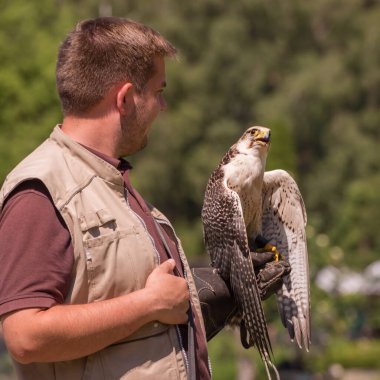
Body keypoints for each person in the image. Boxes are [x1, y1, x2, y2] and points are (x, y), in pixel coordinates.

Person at [0, 17, 289, 380]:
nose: (163, 106)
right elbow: (25, 336)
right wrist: (149, 303)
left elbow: (127, 322)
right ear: (124, 99)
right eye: (158, 92)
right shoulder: (43, 189)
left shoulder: (116, 188)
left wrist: (204, 301)